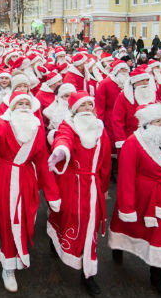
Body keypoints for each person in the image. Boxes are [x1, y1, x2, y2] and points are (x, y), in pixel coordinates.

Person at [0, 91, 61, 293]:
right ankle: (8, 267)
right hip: (5, 177)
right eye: (20, 103)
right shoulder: (5, 124)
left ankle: (16, 254)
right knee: (8, 221)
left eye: (27, 102)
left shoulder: (37, 128)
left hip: (26, 179)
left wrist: (53, 194)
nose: (24, 105)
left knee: (24, 219)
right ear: (12, 107)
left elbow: (42, 162)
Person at [108, 103, 161, 298]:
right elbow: (125, 176)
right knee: (126, 225)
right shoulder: (133, 142)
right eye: (157, 121)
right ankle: (118, 246)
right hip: (141, 194)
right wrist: (126, 205)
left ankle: (158, 278)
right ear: (147, 123)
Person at [47, 91, 111, 296]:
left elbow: (106, 161)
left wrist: (103, 188)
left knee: (89, 229)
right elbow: (63, 138)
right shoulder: (69, 125)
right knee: (65, 217)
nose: (87, 109)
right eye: (83, 106)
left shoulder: (100, 129)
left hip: (92, 185)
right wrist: (62, 151)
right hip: (70, 182)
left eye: (90, 105)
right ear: (75, 109)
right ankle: (54, 240)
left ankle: (88, 274)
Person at [112, 66, 161, 151]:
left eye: (147, 80)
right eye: (142, 80)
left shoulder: (152, 95)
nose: (145, 83)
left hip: (153, 138)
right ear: (135, 82)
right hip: (131, 138)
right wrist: (121, 141)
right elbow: (117, 120)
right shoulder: (124, 97)